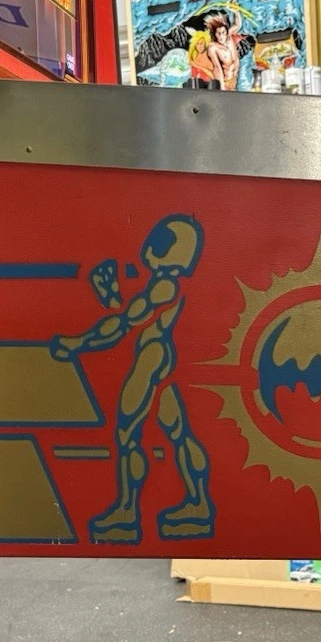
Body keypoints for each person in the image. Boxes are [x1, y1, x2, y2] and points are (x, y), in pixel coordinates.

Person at [49, 216, 214, 543]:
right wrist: (111, 297)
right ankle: (199, 505)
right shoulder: (167, 285)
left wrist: (76, 343)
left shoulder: (164, 286)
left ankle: (127, 512)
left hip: (151, 358)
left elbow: (123, 324)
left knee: (128, 434)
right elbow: (127, 316)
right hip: (161, 356)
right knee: (178, 432)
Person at [206, 12, 242, 92]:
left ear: (226, 32)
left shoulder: (229, 37)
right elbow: (217, 68)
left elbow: (237, 25)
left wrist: (236, 12)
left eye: (223, 33)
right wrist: (222, 88)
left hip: (235, 78)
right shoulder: (213, 48)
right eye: (218, 33)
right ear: (215, 34)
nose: (221, 36)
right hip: (226, 83)